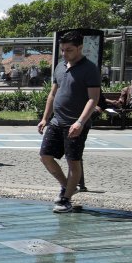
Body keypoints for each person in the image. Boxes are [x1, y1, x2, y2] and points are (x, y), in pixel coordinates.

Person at [37, 30, 101, 213]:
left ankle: (66, 199)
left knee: (73, 161)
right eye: (63, 50)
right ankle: (68, 187)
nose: (65, 53)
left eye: (69, 50)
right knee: (45, 156)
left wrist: (80, 122)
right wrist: (45, 118)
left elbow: (93, 99)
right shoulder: (60, 66)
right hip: (57, 121)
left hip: (76, 123)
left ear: (80, 48)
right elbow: (53, 93)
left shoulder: (89, 69)